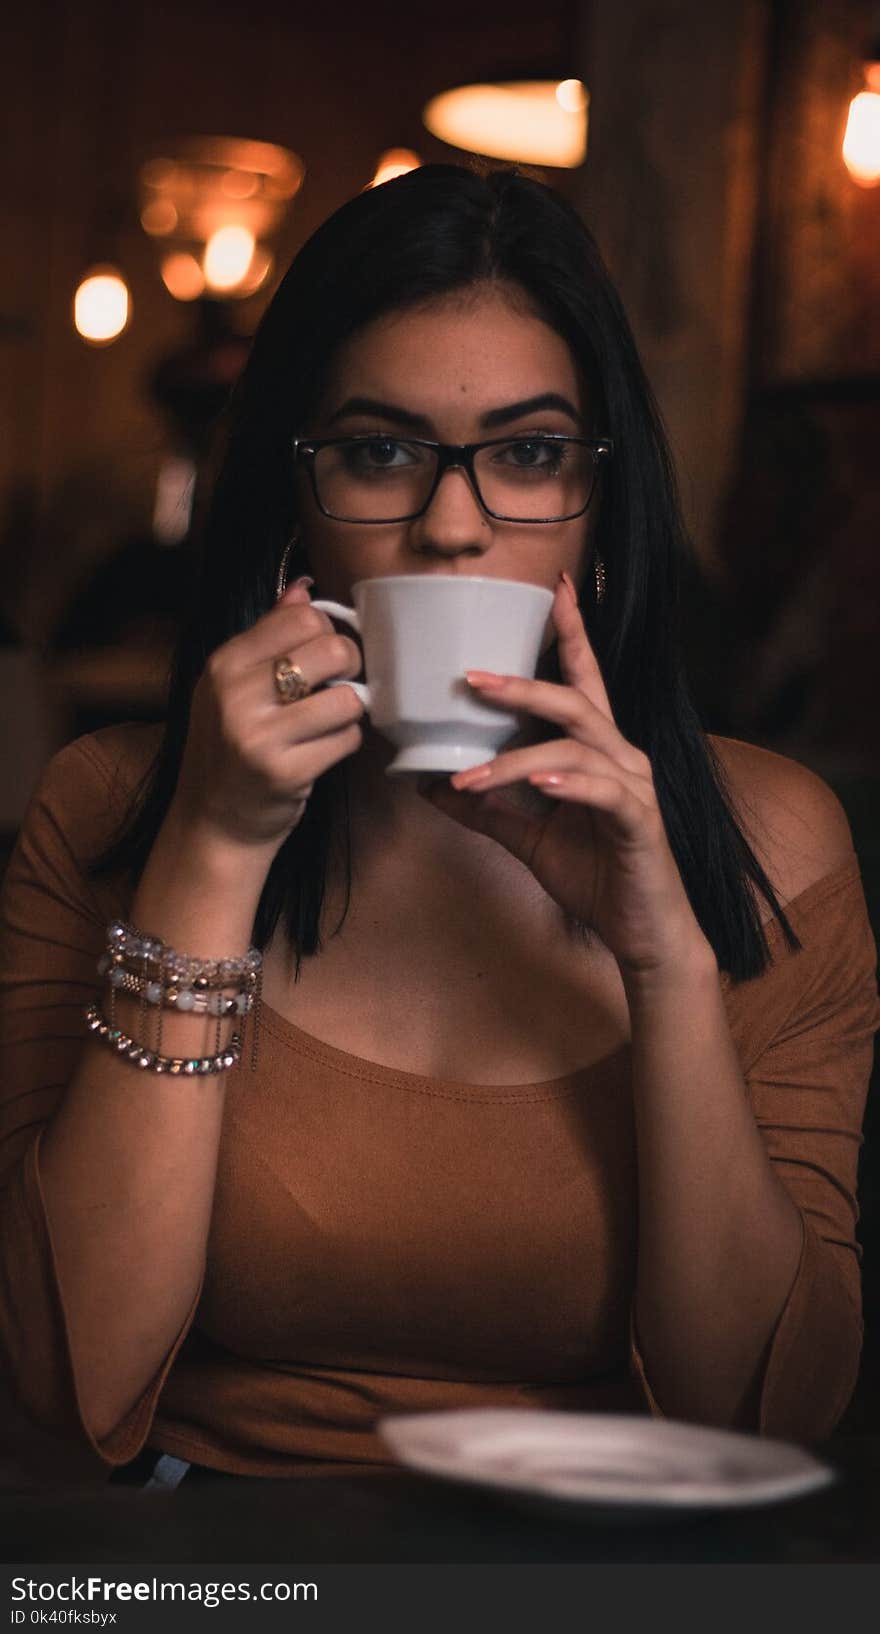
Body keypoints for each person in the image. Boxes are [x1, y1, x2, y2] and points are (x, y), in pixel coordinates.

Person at [1, 164, 878, 1484]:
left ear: (599, 510)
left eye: (527, 454)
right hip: (220, 1569)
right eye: (379, 450)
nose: (452, 524)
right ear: (295, 502)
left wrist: (666, 961)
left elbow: (762, 1426)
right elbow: (76, 1385)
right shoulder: (118, 808)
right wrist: (214, 849)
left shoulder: (771, 843)